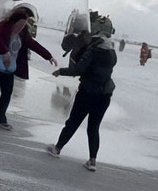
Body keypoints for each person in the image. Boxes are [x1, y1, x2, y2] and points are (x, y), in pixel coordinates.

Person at [46, 21, 117, 171]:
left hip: (88, 92)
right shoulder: (111, 54)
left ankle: (57, 148)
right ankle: (92, 160)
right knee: (93, 127)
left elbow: (78, 69)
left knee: (73, 121)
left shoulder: (92, 52)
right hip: (105, 94)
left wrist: (61, 71)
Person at [0, 8, 57, 130]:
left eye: (24, 24)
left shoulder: (23, 32)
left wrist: (48, 56)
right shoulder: (3, 26)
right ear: (13, 22)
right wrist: (5, 52)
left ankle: (0, 118)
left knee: (7, 92)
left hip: (9, 68)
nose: (21, 27)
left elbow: (32, 44)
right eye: (19, 24)